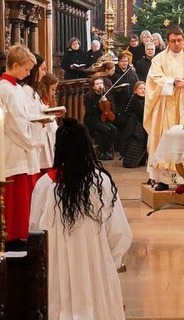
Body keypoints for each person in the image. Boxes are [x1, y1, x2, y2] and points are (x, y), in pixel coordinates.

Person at [29, 118, 132, 319]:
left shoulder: (44, 185)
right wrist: (107, 262)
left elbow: (35, 233)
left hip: (57, 271)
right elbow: (120, 233)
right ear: (86, 145)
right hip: (96, 271)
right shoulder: (101, 182)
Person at [144, 25, 184, 190]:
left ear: (183, 40)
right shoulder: (159, 59)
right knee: (164, 138)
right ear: (167, 42)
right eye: (173, 41)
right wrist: (171, 81)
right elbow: (154, 79)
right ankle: (163, 179)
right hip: (166, 104)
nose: (177, 44)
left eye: (179, 40)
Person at [1, 45, 44, 251]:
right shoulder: (5, 88)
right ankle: (14, 235)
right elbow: (15, 123)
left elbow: (24, 116)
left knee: (26, 192)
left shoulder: (16, 87)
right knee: (16, 193)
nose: (29, 74)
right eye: (26, 69)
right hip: (15, 147)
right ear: (15, 65)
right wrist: (33, 138)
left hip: (23, 145)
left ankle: (23, 232)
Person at [84, 76, 117, 161]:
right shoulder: (89, 96)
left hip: (102, 119)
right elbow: (89, 111)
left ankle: (107, 150)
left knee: (113, 129)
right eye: (97, 84)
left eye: (101, 83)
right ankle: (101, 151)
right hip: (92, 119)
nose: (99, 85)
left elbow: (111, 108)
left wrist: (106, 102)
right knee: (105, 130)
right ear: (93, 86)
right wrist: (98, 103)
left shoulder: (106, 94)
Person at [122, 81, 148, 168]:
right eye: (140, 88)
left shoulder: (145, 100)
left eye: (144, 88)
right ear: (135, 90)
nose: (143, 90)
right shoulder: (134, 100)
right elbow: (142, 113)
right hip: (134, 127)